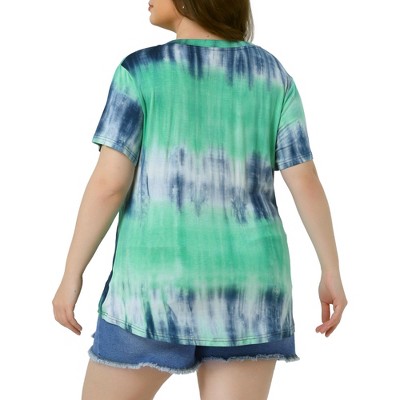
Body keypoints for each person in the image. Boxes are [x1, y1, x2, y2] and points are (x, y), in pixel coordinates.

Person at [52, 0, 347, 399]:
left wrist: (72, 274)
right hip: (251, 294)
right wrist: (331, 270)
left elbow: (109, 185)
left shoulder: (140, 72)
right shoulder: (272, 74)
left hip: (152, 293)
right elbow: (305, 180)